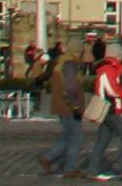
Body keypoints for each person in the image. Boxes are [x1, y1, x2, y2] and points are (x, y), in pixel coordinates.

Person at [86, 41, 122, 182]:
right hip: (109, 110)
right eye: (121, 55)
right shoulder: (109, 69)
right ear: (117, 56)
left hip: (107, 109)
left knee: (103, 141)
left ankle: (93, 170)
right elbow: (112, 90)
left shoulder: (110, 68)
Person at [42, 49, 85, 177]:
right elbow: (71, 87)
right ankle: (70, 168)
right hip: (69, 107)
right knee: (76, 137)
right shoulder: (69, 64)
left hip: (61, 105)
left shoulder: (60, 64)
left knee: (68, 136)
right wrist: (76, 105)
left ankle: (48, 158)